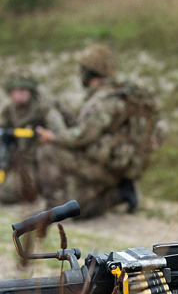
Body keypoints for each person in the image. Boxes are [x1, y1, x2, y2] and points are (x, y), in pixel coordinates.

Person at [35, 44, 160, 219]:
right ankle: (121, 192)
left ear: (88, 72)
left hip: (103, 167)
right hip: (123, 166)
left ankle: (52, 209)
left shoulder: (103, 100)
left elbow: (82, 137)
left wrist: (52, 137)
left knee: (47, 151)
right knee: (81, 211)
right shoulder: (124, 93)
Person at [0, 76, 67, 204]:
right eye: (13, 91)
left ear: (30, 92)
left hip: (33, 162)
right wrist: (5, 134)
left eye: (22, 91)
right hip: (14, 155)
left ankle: (38, 189)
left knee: (6, 196)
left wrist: (43, 136)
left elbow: (60, 134)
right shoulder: (9, 108)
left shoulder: (44, 109)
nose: (17, 95)